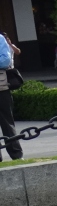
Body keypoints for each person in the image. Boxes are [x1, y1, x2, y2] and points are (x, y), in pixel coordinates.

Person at [0, 34, 21, 162]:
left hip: (1, 88)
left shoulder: (0, 39)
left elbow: (5, 60)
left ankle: (16, 154)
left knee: (7, 122)